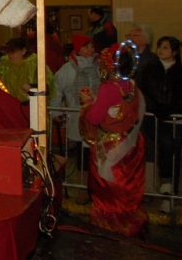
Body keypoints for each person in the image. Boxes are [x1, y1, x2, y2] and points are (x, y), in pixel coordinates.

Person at [79, 44, 148, 238]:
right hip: (131, 143)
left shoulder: (108, 87)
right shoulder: (131, 84)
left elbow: (94, 118)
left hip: (111, 147)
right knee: (128, 188)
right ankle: (131, 224)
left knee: (109, 191)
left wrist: (89, 102)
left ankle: (110, 229)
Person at [50, 34, 100, 204]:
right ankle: (82, 187)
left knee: (96, 155)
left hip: (98, 118)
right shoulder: (67, 69)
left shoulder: (100, 68)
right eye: (86, 47)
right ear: (78, 49)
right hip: (77, 119)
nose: (90, 50)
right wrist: (56, 112)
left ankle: (97, 187)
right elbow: (56, 90)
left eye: (92, 47)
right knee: (82, 155)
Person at [151, 36, 182, 213]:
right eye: (160, 46)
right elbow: (145, 92)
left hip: (176, 121)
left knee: (174, 157)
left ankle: (171, 196)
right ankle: (165, 185)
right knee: (164, 152)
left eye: (166, 47)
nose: (161, 50)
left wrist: (169, 109)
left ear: (174, 52)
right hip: (157, 120)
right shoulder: (151, 71)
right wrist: (156, 109)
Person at [126, 23, 166, 191]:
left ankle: (148, 186)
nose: (130, 38)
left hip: (145, 111)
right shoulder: (127, 56)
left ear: (145, 40)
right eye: (130, 35)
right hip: (130, 110)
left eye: (135, 36)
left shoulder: (152, 60)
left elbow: (155, 89)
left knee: (147, 148)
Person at [0, 36, 56, 103]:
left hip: (32, 106)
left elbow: (48, 85)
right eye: (8, 52)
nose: (10, 55)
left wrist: (33, 87)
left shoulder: (36, 62)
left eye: (13, 52)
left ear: (23, 51)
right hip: (9, 104)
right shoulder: (4, 63)